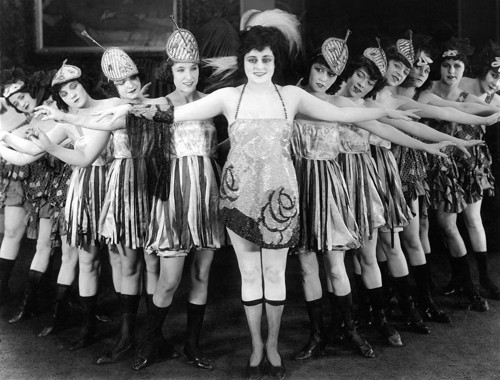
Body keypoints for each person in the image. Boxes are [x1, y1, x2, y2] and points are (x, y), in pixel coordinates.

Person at [92, 25, 420, 380]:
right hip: (237, 198)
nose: (259, 65)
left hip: (281, 198)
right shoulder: (228, 97)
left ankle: (273, 348)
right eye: (252, 59)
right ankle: (255, 349)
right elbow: (169, 113)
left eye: (266, 58)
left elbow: (343, 116)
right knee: (250, 274)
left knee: (274, 274)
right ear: (243, 60)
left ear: (275, 60)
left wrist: (397, 120)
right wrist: (115, 110)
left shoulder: (291, 96)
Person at [2, 60, 121, 349]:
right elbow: (29, 152)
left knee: (120, 259)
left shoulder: (113, 103)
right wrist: (3, 137)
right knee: (87, 259)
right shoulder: (65, 123)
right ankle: (88, 327)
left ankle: (125, 326)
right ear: (59, 98)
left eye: (74, 86)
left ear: (83, 84)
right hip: (85, 190)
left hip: (119, 187)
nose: (72, 95)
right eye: (65, 93)